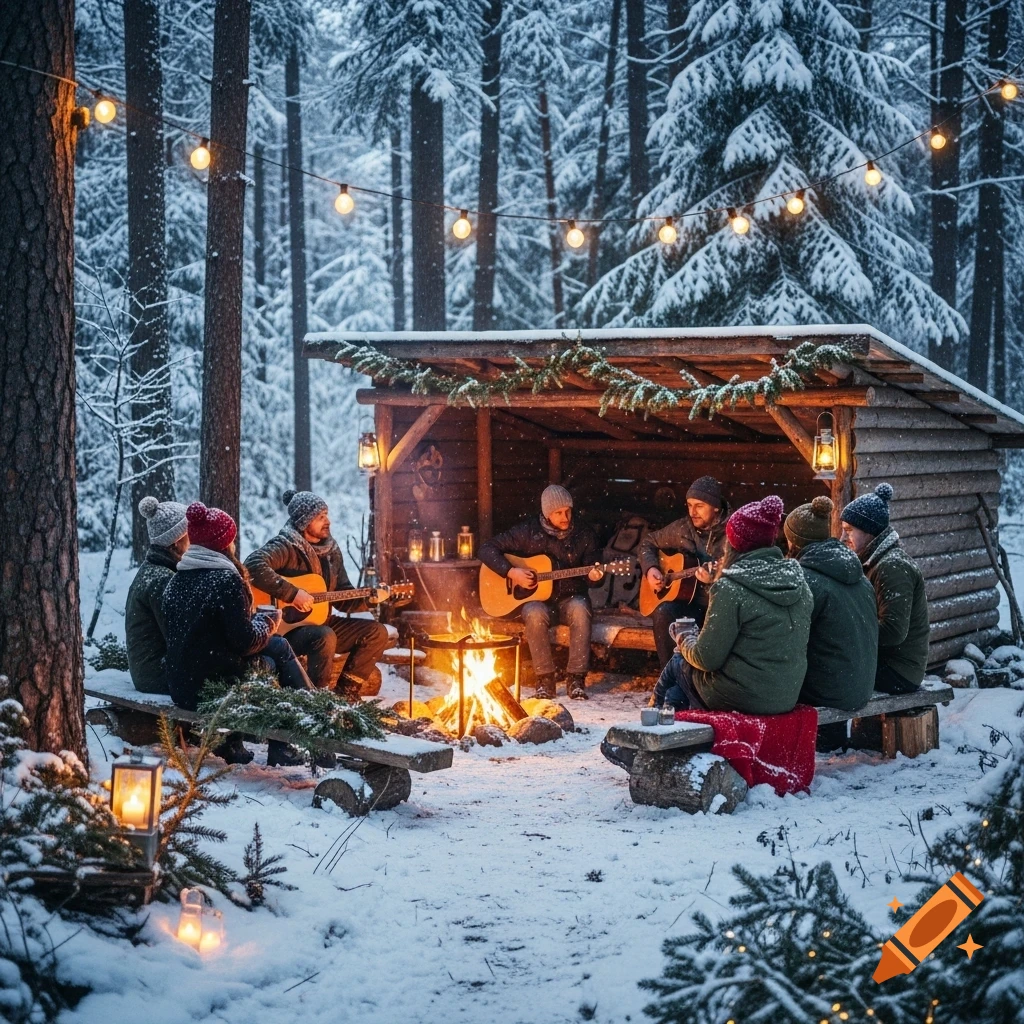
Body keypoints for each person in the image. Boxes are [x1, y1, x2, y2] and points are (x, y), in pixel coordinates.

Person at [163, 502, 314, 766]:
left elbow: (208, 636)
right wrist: (268, 622)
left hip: (181, 685)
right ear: (223, 545)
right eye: (231, 541)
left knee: (274, 650)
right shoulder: (225, 580)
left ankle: (257, 743)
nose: (234, 546)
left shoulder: (176, 581)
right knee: (271, 658)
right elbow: (244, 643)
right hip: (212, 689)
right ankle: (310, 720)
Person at [652, 495, 813, 714]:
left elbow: (705, 658)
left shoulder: (731, 587)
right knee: (683, 665)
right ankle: (668, 713)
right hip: (785, 694)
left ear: (735, 543)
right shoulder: (798, 581)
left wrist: (683, 637)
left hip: (743, 697)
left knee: (681, 661)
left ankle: (660, 722)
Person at [245, 490, 390, 697]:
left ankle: (345, 695)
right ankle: (316, 700)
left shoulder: (331, 551)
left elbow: (342, 596)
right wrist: (293, 594)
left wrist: (370, 600)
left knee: (376, 632)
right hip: (286, 630)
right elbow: (253, 565)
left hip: (321, 620)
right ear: (305, 521)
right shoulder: (286, 545)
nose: (327, 521)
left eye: (326, 515)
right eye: (320, 517)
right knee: (325, 636)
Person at [478, 485, 604, 700]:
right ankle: (545, 679)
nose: (565, 517)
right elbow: (485, 549)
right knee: (534, 612)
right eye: (558, 513)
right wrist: (511, 572)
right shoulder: (527, 531)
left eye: (568, 511)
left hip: (569, 597)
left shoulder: (584, 534)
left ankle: (576, 678)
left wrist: (594, 577)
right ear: (546, 514)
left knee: (581, 608)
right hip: (538, 600)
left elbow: (593, 576)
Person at [783, 495, 878, 710]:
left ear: (795, 541)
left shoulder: (806, 580)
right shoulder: (858, 575)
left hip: (828, 691)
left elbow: (787, 638)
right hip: (860, 687)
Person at [840, 483, 929, 694]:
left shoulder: (892, 566)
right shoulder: (873, 562)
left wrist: (846, 636)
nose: (843, 538)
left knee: (830, 677)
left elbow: (893, 632)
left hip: (899, 671)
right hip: (884, 663)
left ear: (869, 532)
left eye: (849, 530)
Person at [638, 476, 729, 667]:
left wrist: (714, 581)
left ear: (716, 507)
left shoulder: (734, 532)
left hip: (722, 608)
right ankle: (670, 678)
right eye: (689, 505)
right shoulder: (683, 528)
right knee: (663, 612)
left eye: (699, 506)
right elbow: (647, 543)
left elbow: (746, 571)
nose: (692, 512)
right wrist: (651, 568)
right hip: (690, 605)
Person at [125, 496, 189, 694]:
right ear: (175, 542)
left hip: (150, 670)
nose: (193, 540)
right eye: (189, 535)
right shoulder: (162, 580)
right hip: (156, 675)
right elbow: (180, 637)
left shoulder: (156, 569)